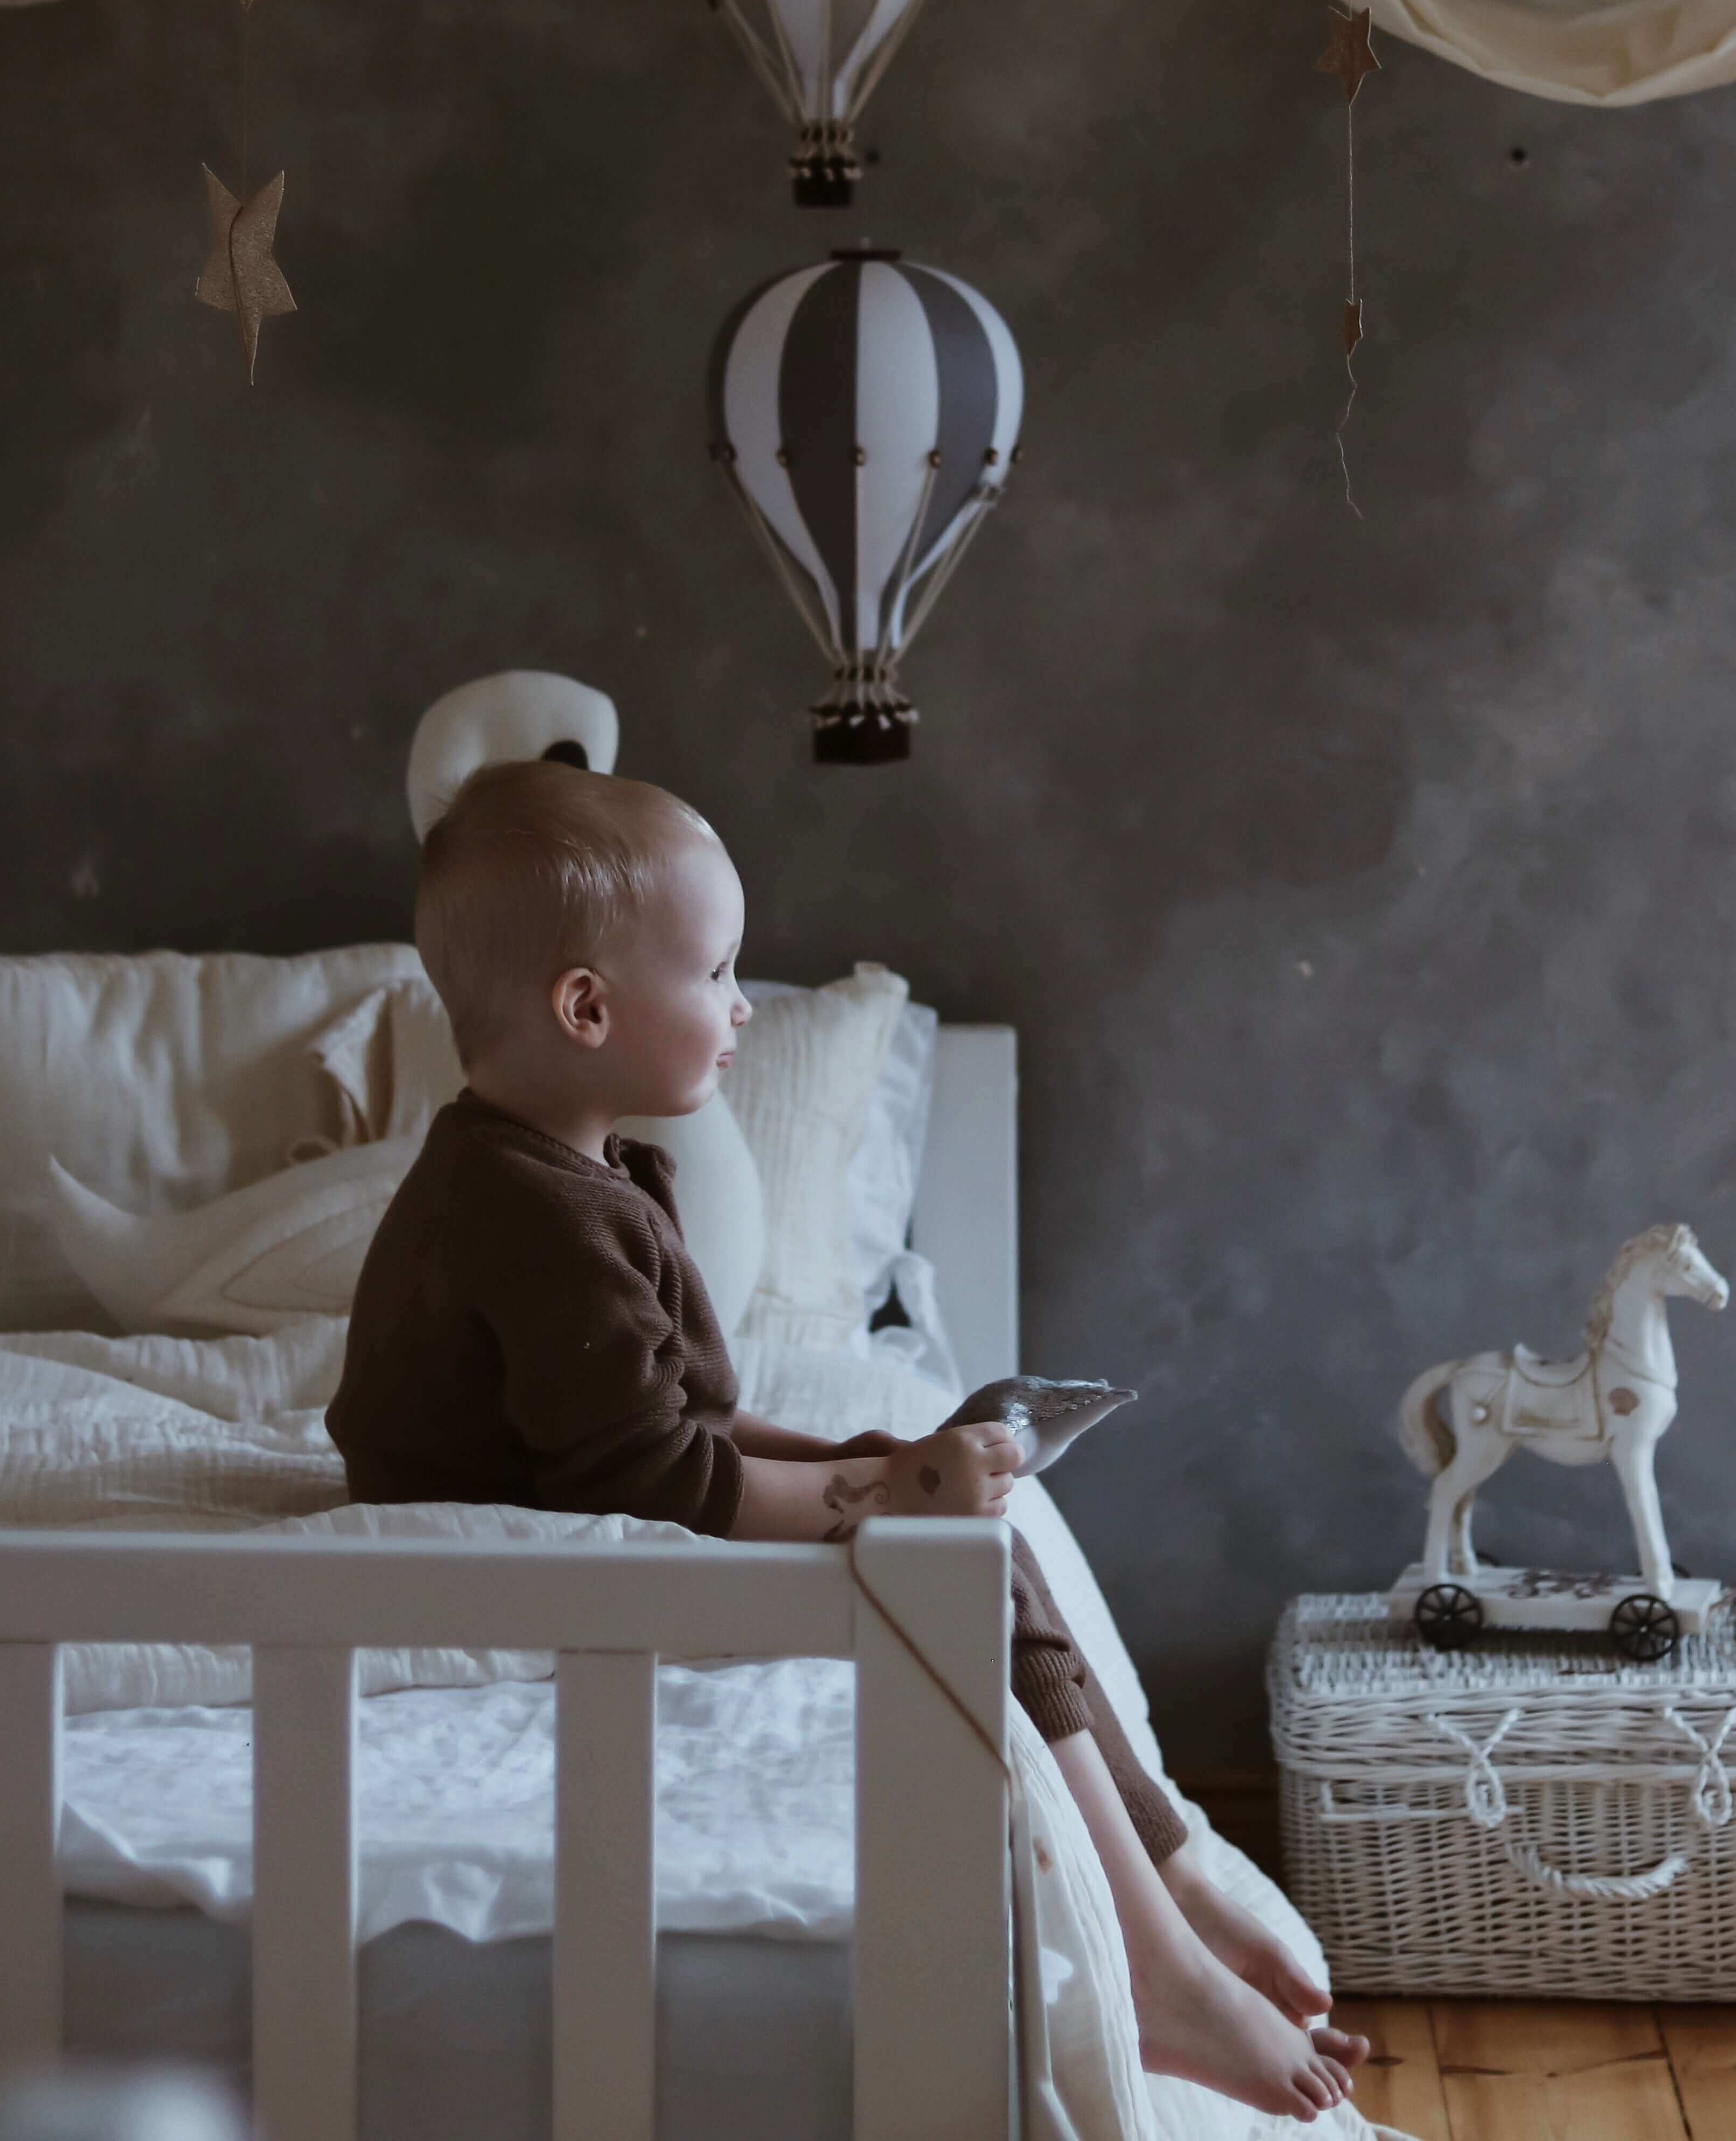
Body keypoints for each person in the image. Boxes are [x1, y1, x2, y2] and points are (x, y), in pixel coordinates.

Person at [327, 760, 1364, 2122]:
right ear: (585, 1009)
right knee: (960, 1563)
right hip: (512, 1545)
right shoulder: (531, 1212)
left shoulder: (577, 1173)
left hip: (559, 1493)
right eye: (715, 974)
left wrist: (873, 1461)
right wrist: (888, 1489)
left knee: (936, 1501)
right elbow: (655, 1475)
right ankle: (1157, 1961)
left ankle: (1162, 1873)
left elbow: (675, 1419)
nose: (742, 1006)